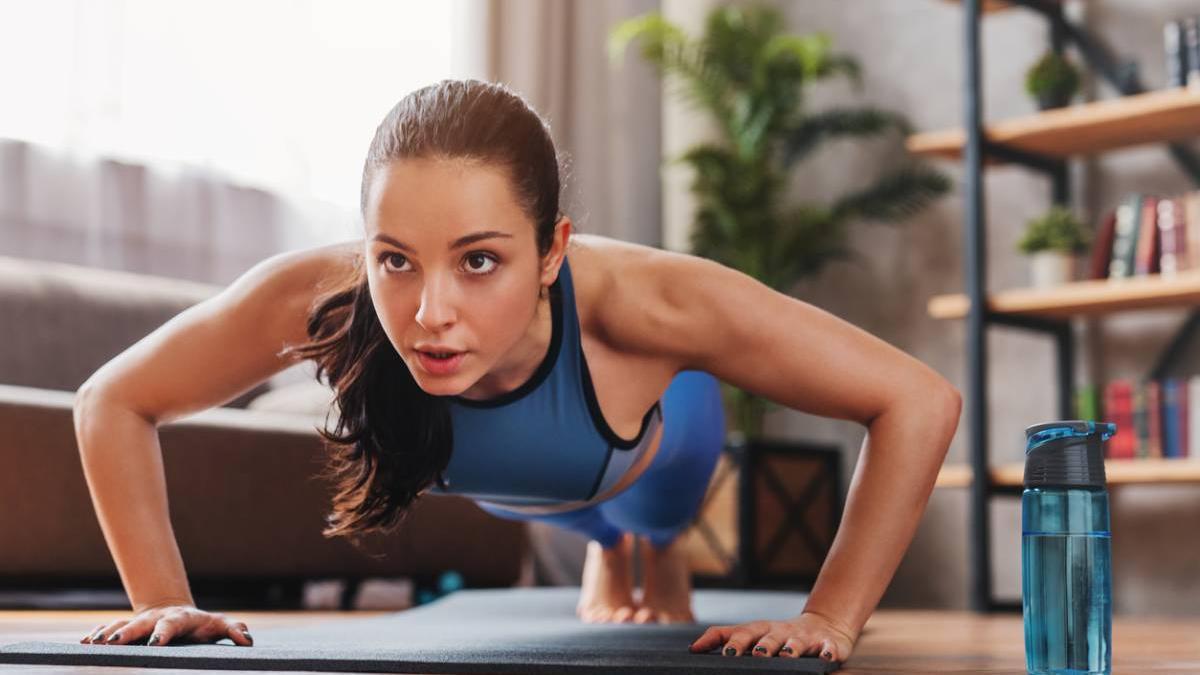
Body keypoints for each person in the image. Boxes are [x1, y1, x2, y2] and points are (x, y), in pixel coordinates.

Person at [73, 79, 960, 663]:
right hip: (520, 478)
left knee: (653, 509)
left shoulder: (651, 302)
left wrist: (830, 615)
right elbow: (113, 399)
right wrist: (161, 600)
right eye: (396, 259)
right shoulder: (320, 296)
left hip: (653, 437)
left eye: (480, 260)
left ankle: (646, 542)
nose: (430, 312)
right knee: (562, 503)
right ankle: (608, 548)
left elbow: (916, 398)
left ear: (550, 252)